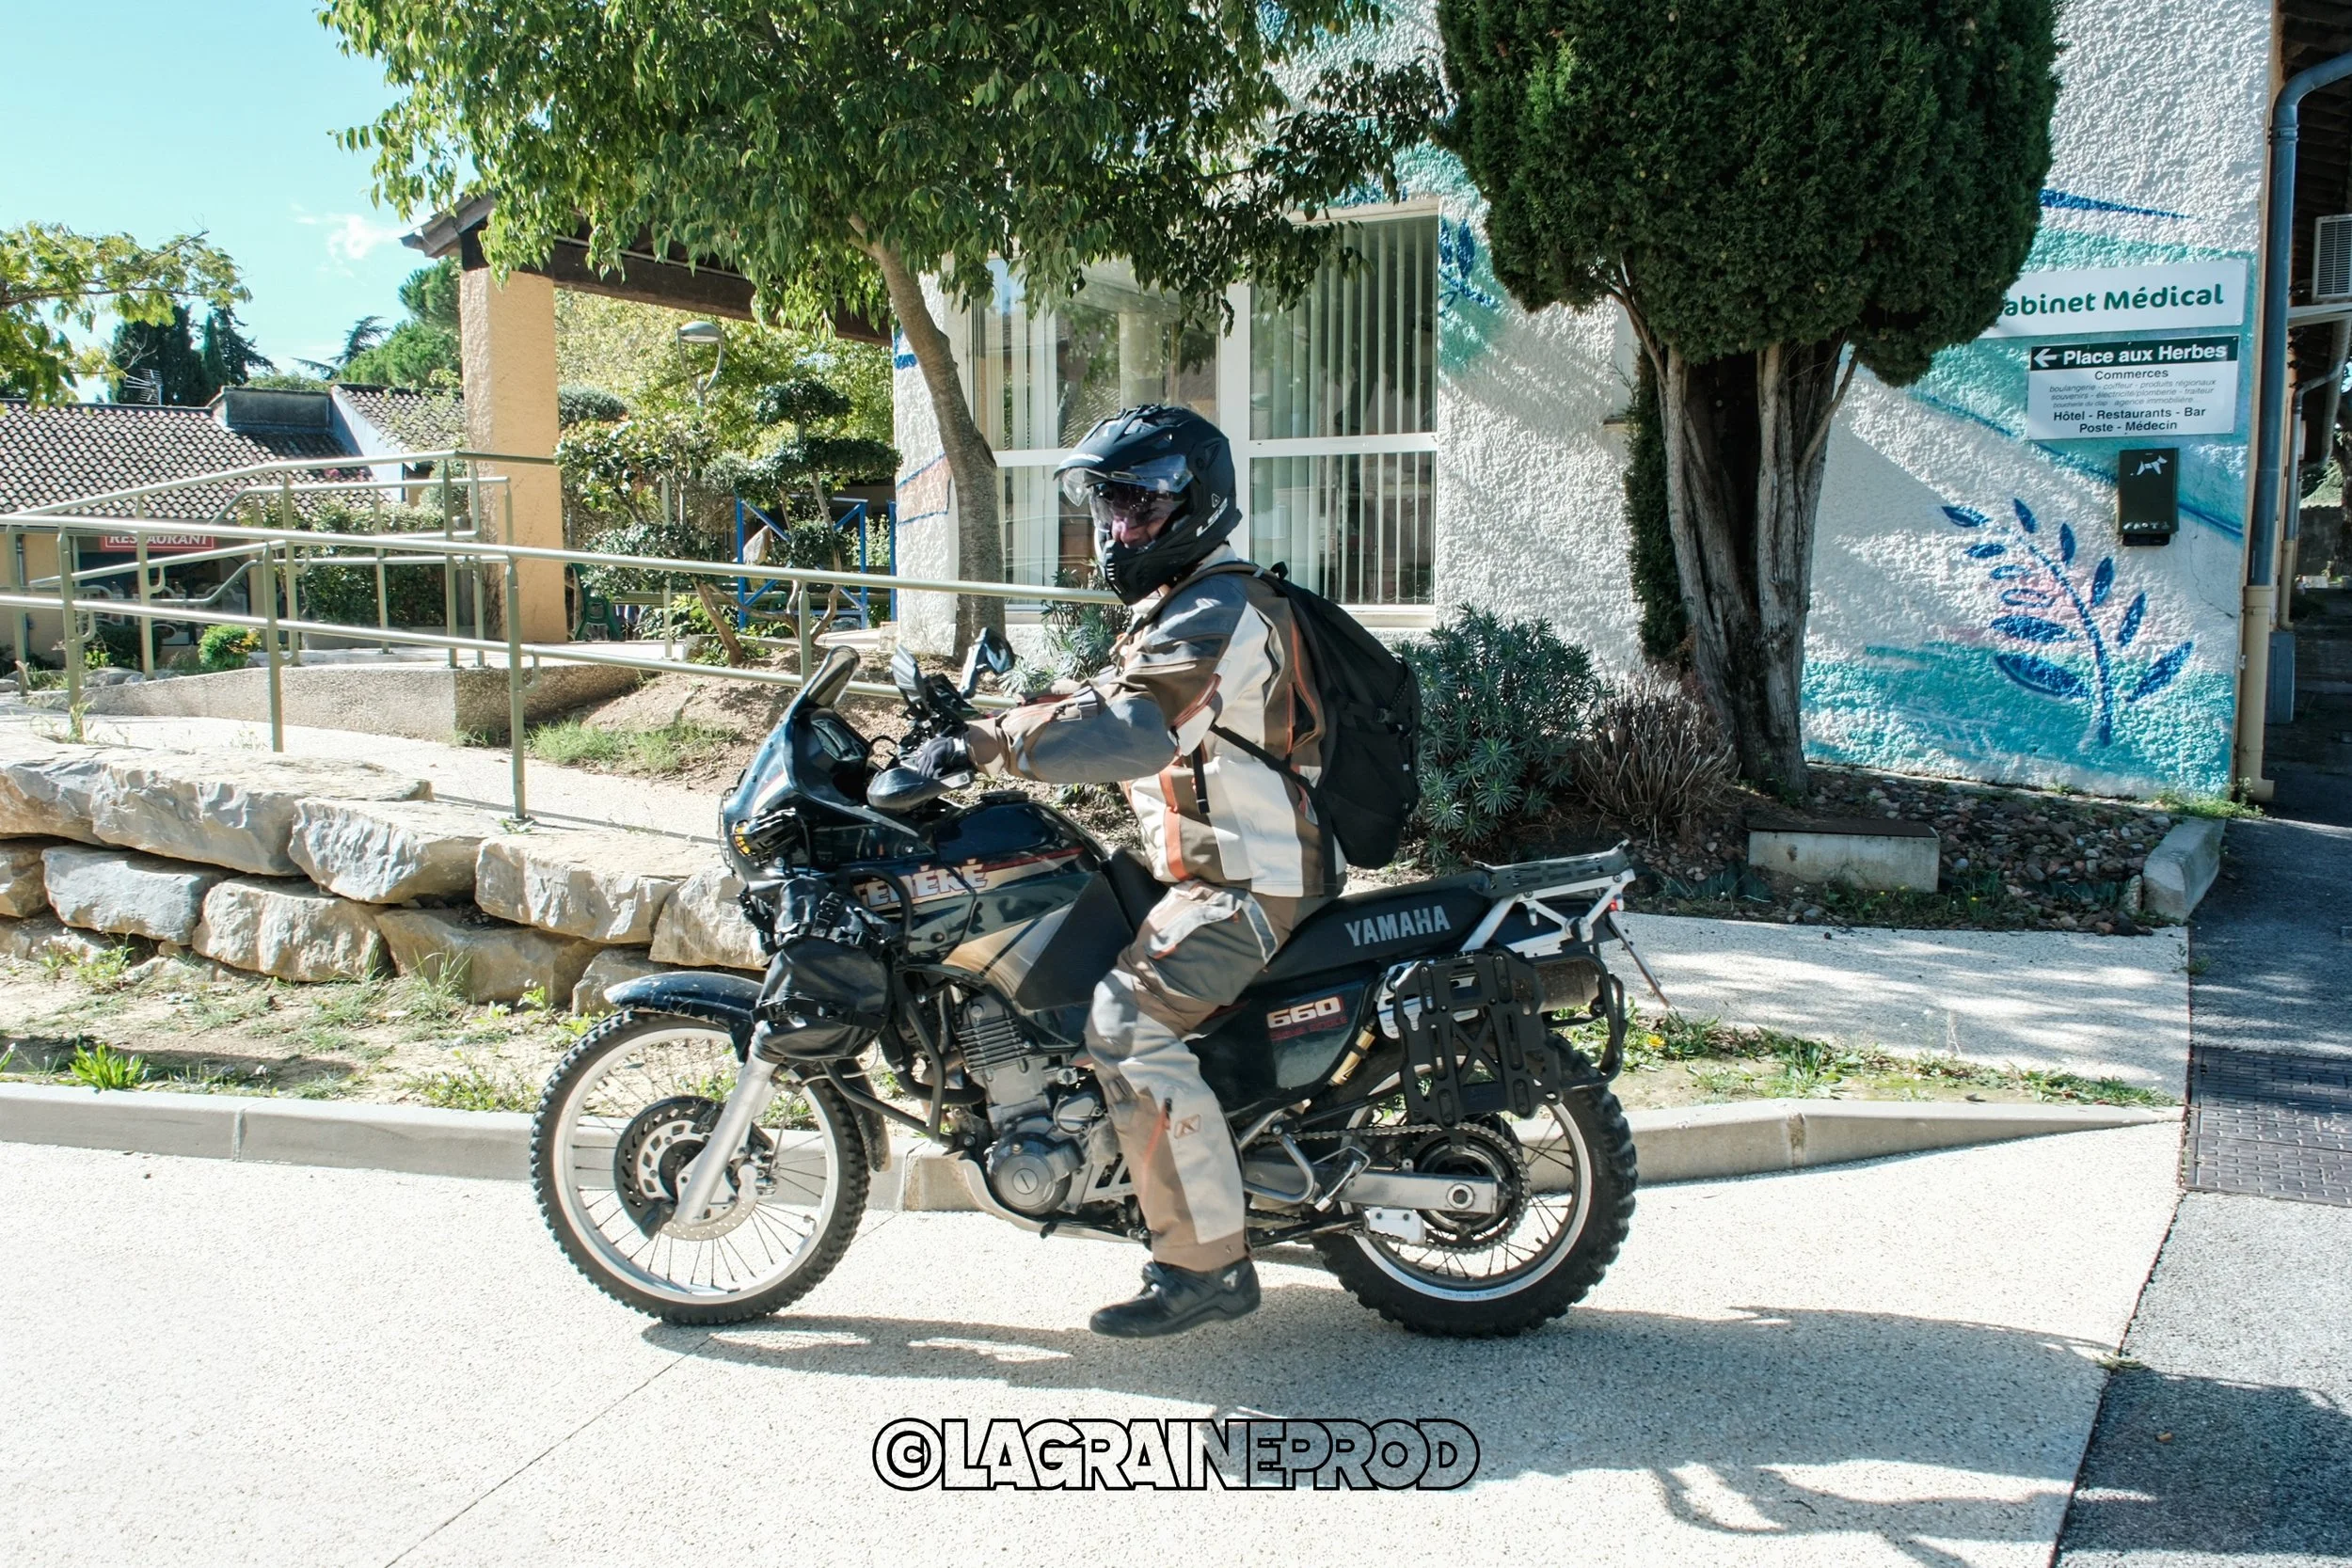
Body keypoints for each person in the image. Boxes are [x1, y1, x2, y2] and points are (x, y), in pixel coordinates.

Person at [901, 404, 1340, 1338]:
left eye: (1138, 506)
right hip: (1208, 870)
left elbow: (1136, 728)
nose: (1117, 528)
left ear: (1193, 503)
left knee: (1124, 1020)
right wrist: (983, 719)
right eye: (1107, 507)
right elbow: (1105, 696)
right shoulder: (1181, 602)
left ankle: (1204, 1262)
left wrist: (992, 746)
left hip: (1248, 882)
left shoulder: (1221, 607)